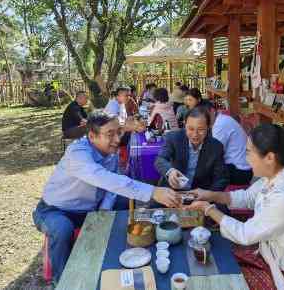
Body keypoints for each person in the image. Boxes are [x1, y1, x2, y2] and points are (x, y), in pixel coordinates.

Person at [33, 112, 180, 285]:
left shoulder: (110, 150)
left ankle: (117, 253)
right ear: (92, 136)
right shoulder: (78, 153)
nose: (117, 139)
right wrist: (153, 191)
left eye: (119, 132)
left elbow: (113, 183)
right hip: (55, 210)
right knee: (62, 229)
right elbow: (104, 178)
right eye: (110, 134)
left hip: (90, 207)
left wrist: (104, 209)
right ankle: (62, 281)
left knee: (125, 201)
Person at [186, 124, 284, 290]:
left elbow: (245, 234)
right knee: (224, 254)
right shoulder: (276, 177)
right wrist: (209, 195)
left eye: (249, 152)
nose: (246, 159)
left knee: (227, 277)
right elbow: (246, 197)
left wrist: (208, 209)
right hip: (273, 257)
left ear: (269, 157)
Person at [155, 107, 228, 193]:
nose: (195, 134)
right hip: (171, 191)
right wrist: (170, 171)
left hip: (200, 193)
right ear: (184, 125)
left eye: (200, 129)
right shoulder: (174, 138)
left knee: (220, 206)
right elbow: (160, 160)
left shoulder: (216, 146)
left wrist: (209, 195)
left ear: (208, 127)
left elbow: (221, 178)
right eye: (190, 129)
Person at [200, 102, 252, 186]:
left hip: (240, 171)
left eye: (205, 114)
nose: (203, 118)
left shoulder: (220, 125)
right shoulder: (221, 119)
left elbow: (214, 153)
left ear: (212, 111)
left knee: (203, 172)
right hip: (240, 167)